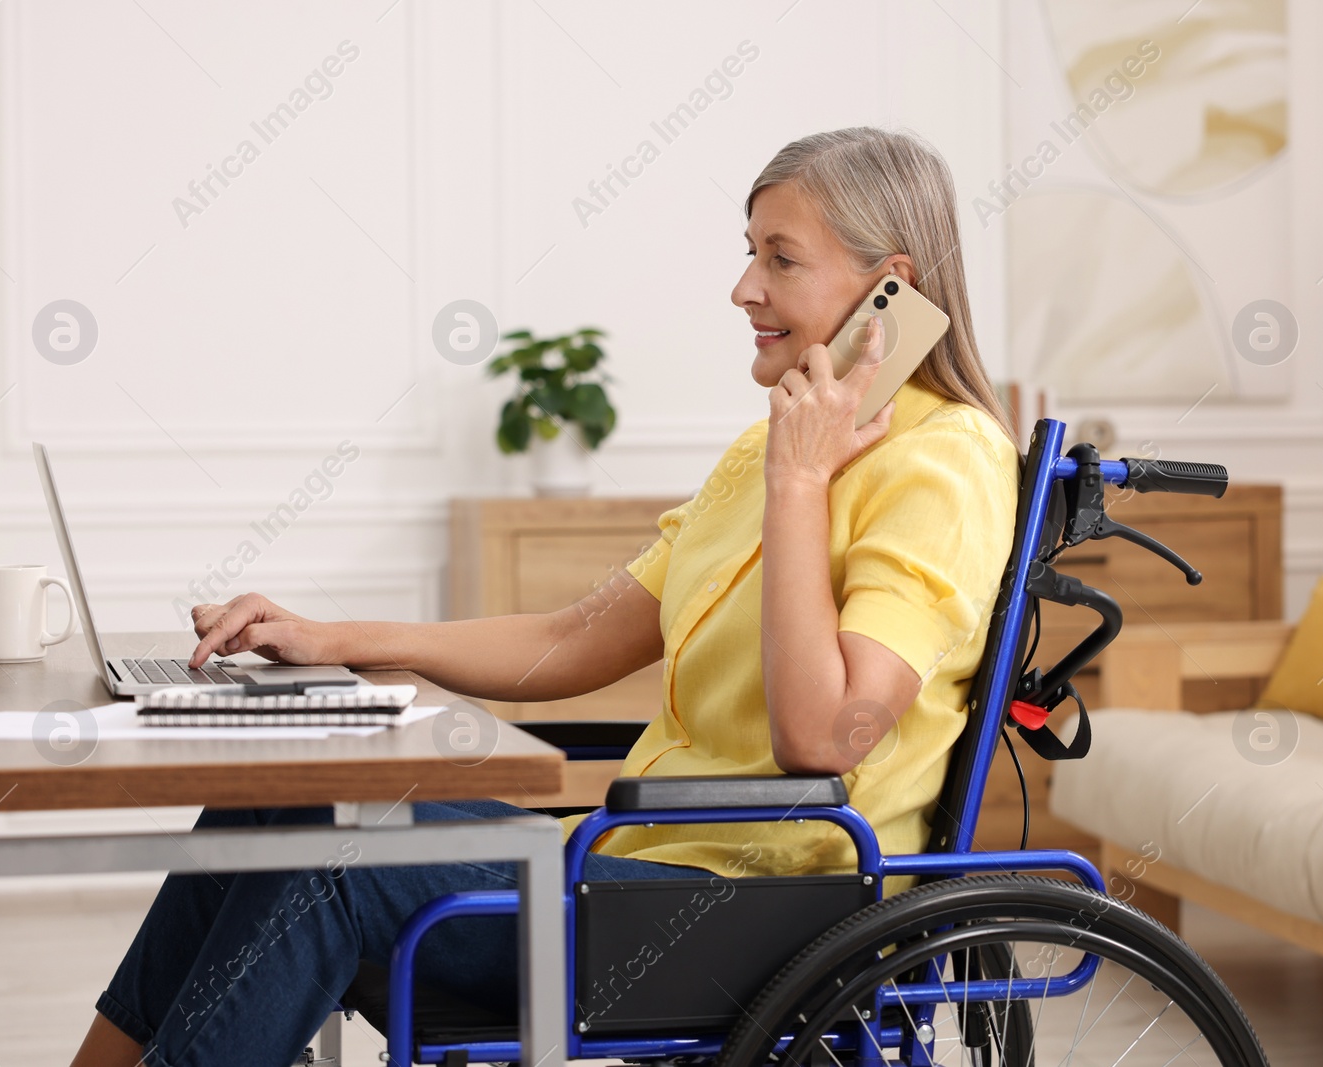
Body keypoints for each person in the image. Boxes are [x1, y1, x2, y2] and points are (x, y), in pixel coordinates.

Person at [70, 126, 1021, 1067]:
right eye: (749, 254)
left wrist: (802, 486)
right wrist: (332, 638)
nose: (743, 289)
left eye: (781, 259)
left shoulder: (945, 462)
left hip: (764, 915)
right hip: (632, 866)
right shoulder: (762, 453)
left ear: (887, 288)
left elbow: (827, 737)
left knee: (334, 854)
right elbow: (571, 638)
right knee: (274, 805)